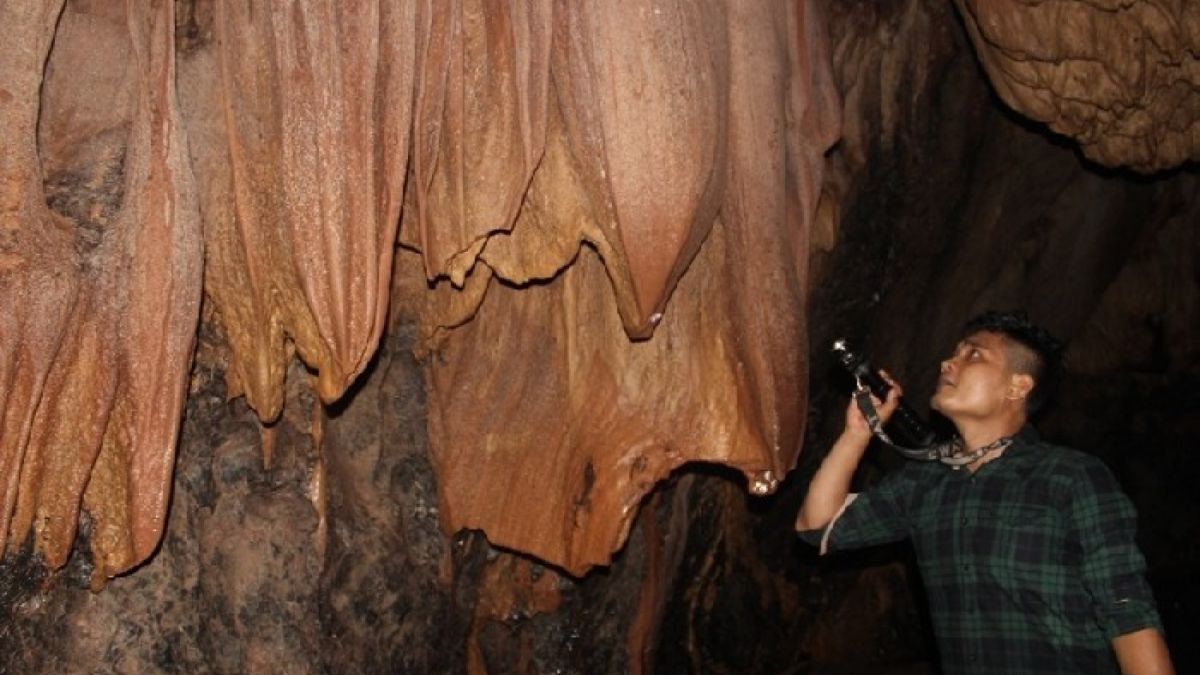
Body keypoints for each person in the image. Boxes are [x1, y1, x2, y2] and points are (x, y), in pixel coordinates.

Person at [795, 311, 1174, 674]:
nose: (948, 362)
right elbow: (817, 527)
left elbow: (1127, 609)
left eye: (972, 353)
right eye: (954, 352)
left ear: (1018, 385)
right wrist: (858, 433)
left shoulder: (1071, 477)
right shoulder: (926, 482)